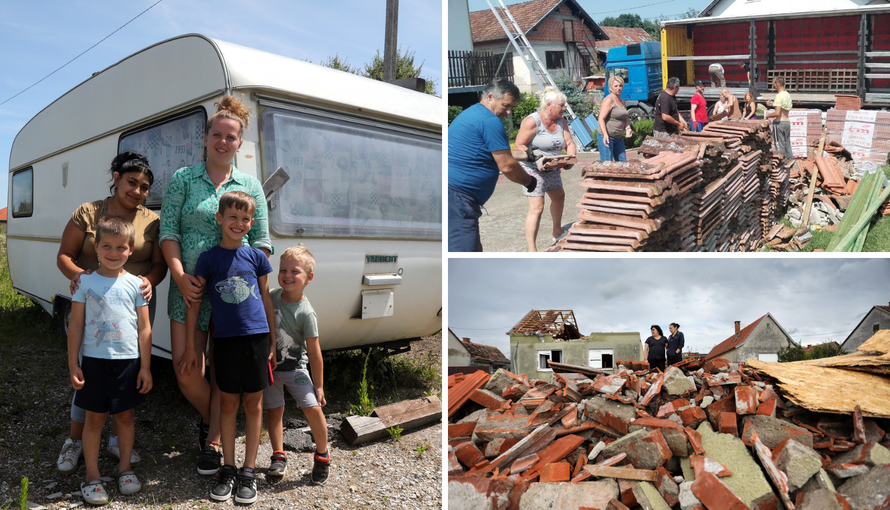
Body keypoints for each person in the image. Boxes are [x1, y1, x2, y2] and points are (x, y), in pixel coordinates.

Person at [160, 95, 271, 475]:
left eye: (231, 137)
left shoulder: (250, 186)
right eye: (217, 135)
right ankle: (222, 423)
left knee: (223, 373)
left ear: (240, 143)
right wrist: (178, 274)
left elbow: (262, 241)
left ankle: (213, 440)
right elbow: (168, 231)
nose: (224, 142)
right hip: (189, 292)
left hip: (235, 298)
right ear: (206, 138)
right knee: (188, 371)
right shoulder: (183, 179)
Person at [56, 152, 167, 476]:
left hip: (136, 299)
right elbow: (64, 254)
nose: (138, 191)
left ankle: (119, 439)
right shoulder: (89, 212)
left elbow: (158, 264)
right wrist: (78, 275)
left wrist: (150, 280)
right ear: (116, 178)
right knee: (89, 370)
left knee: (126, 367)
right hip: (92, 298)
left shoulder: (151, 220)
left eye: (145, 187)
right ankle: (75, 441)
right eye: (132, 182)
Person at [182, 191, 275, 504]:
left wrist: (272, 341)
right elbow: (194, 301)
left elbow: (265, 299)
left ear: (251, 223)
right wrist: (194, 347)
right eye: (232, 217)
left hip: (257, 338)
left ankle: (248, 471)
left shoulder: (257, 257)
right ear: (220, 219)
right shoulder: (208, 259)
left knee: (254, 404)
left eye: (245, 218)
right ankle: (229, 468)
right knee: (227, 403)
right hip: (224, 340)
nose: (239, 223)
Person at [67, 216, 153, 505]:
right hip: (93, 362)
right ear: (95, 247)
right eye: (107, 246)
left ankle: (125, 470)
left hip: (128, 363)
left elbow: (144, 327)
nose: (114, 253)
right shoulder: (84, 282)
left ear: (131, 249)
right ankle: (92, 476)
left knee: (125, 417)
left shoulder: (137, 285)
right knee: (94, 420)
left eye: (121, 247)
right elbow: (76, 325)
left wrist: (145, 366)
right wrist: (73, 364)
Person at [263, 245, 330, 485]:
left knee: (313, 408)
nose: (287, 275)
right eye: (283, 270)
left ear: (309, 278)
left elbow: (314, 351)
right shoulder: (270, 296)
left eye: (295, 271)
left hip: (296, 370)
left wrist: (319, 386)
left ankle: (322, 454)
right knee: (274, 411)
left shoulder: (306, 313)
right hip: (271, 369)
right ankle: (278, 455)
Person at [448, 79, 538, 252]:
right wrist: (529, 182)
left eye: (512, 107)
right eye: (506, 105)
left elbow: (498, 152)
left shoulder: (473, 113)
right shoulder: (489, 121)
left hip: (457, 197)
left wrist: (529, 156)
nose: (508, 111)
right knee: (465, 256)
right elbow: (507, 166)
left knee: (474, 250)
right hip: (458, 199)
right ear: (490, 97)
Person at [514, 86, 576, 252]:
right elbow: (518, 145)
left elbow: (569, 143)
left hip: (552, 167)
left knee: (559, 197)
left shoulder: (561, 122)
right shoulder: (532, 121)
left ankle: (556, 231)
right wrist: (536, 158)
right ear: (549, 105)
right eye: (561, 105)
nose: (564, 108)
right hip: (532, 168)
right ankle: (531, 249)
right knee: (537, 207)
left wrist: (570, 159)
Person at [596, 76, 634, 161]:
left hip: (618, 137)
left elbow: (625, 118)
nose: (618, 88)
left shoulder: (622, 101)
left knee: (622, 163)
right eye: (616, 86)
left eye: (620, 86)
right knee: (607, 164)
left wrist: (628, 128)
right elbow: (601, 119)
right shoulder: (609, 100)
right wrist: (605, 135)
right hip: (607, 137)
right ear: (610, 88)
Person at [765, 77, 794, 159]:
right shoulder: (787, 95)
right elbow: (783, 107)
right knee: (788, 145)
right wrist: (772, 104)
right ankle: (790, 162)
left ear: (777, 84)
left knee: (779, 146)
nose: (774, 86)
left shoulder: (779, 96)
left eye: (774, 84)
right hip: (787, 122)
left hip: (779, 123)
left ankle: (781, 165)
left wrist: (767, 115)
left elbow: (777, 113)